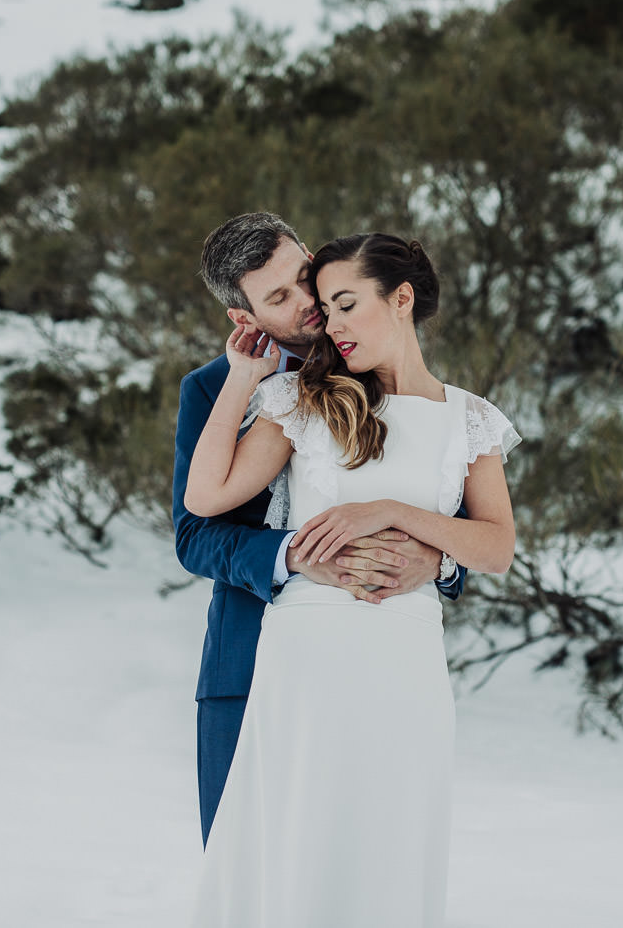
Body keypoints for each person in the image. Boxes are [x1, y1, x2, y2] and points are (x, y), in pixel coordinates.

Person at [184, 231, 520, 928]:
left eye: (321, 290)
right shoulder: (287, 396)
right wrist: (299, 555)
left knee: (385, 861)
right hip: (279, 661)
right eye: (287, 299)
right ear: (245, 318)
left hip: (403, 663)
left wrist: (418, 538)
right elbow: (199, 521)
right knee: (272, 866)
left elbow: (490, 544)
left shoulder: (463, 415)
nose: (319, 315)